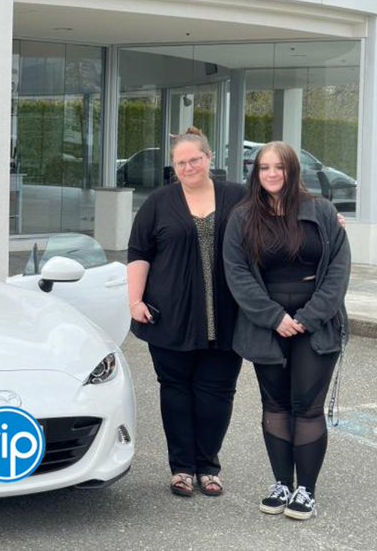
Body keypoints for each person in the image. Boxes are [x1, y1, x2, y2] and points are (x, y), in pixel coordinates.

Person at [222, 141, 350, 521]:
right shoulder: (243, 217)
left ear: (293, 171)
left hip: (317, 323)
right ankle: (281, 482)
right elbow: (237, 273)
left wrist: (309, 317)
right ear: (255, 173)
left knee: (307, 407)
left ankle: (305, 491)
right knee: (274, 406)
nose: (271, 174)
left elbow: (339, 271)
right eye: (264, 168)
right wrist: (273, 316)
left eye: (279, 167)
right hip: (267, 323)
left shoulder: (323, 211)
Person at [127, 127, 247, 498]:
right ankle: (181, 468)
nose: (188, 167)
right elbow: (138, 253)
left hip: (226, 318)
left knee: (217, 393)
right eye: (181, 162)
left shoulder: (239, 197)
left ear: (209, 158)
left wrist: (326, 217)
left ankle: (208, 466)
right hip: (170, 316)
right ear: (174, 166)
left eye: (195, 159)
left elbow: (280, 212)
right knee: (175, 391)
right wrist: (135, 302)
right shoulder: (158, 203)